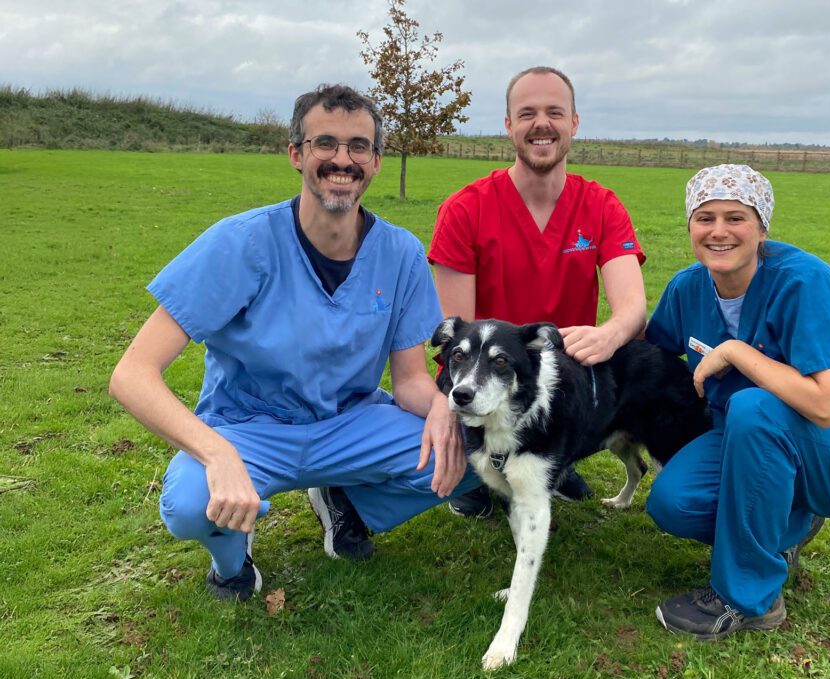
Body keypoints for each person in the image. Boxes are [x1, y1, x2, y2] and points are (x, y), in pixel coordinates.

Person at [109, 84, 479, 601]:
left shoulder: (400, 253)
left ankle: (346, 502)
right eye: (324, 143)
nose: (341, 160)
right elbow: (131, 375)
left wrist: (440, 407)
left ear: (374, 162)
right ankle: (232, 564)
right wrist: (217, 455)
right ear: (297, 154)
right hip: (249, 427)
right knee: (190, 505)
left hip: (349, 423)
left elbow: (411, 380)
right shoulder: (240, 243)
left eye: (358, 147)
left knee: (475, 455)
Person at [644, 164, 830, 639]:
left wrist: (736, 351)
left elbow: (826, 407)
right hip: (747, 439)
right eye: (705, 218)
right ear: (690, 227)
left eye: (735, 218)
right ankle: (784, 529)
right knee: (674, 503)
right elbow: (650, 353)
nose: (719, 231)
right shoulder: (687, 287)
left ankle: (748, 600)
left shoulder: (805, 283)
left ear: (762, 227)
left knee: (754, 405)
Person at [429, 65, 648, 517]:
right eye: (526, 113)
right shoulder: (465, 209)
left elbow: (632, 308)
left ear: (574, 123)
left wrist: (609, 334)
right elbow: (453, 341)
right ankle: (480, 470)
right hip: (489, 378)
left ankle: (554, 459)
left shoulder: (601, 206)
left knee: (594, 389)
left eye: (555, 111)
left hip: (560, 384)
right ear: (508, 125)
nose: (541, 123)